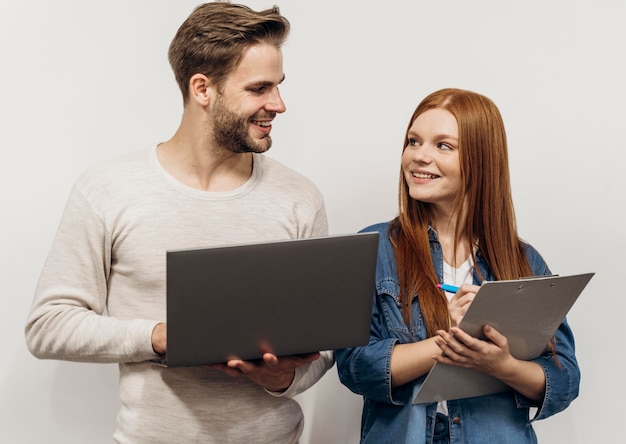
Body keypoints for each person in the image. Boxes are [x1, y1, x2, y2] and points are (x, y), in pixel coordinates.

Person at [25, 2, 333, 443]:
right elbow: (48, 326)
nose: (278, 105)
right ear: (203, 88)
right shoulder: (108, 189)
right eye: (260, 88)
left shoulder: (299, 198)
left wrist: (282, 377)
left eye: (279, 86)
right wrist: (161, 336)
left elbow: (321, 350)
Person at [335, 88, 580, 443]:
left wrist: (502, 365)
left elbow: (564, 380)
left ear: (481, 160)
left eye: (443, 146)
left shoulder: (524, 262)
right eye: (413, 141)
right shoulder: (375, 249)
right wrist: (448, 338)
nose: (419, 157)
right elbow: (355, 368)